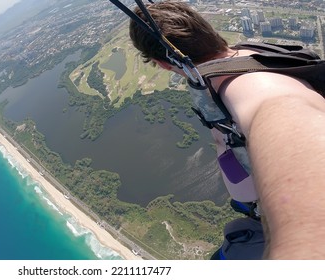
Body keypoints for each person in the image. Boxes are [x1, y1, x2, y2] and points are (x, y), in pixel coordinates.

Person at [128, 1, 325, 259]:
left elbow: (287, 113)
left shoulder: (243, 84)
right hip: (254, 206)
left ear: (162, 64)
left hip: (267, 224)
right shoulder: (240, 57)